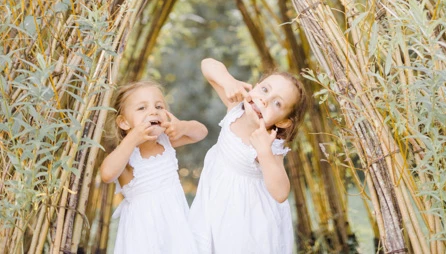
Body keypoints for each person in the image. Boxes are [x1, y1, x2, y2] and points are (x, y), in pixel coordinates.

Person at [190, 58, 307, 254]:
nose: (265, 100)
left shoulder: (270, 144)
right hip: (214, 202)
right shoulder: (235, 108)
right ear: (255, 86)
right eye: (264, 90)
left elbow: (280, 193)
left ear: (285, 122)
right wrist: (227, 80)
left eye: (277, 103)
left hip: (246, 217)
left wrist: (264, 152)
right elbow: (207, 65)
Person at [100, 79, 208, 254]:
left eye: (158, 106)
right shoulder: (127, 153)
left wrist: (183, 126)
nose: (153, 111)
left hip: (175, 225)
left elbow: (201, 132)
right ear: (124, 123)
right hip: (144, 232)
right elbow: (107, 174)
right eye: (142, 108)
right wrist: (132, 138)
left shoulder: (166, 141)